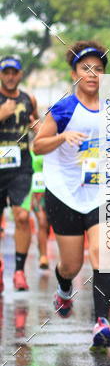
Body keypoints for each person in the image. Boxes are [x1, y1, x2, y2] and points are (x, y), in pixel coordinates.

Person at [33, 41, 110, 348]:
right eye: (86, 68)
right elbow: (37, 145)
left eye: (99, 69)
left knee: (102, 254)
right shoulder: (63, 108)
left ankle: (101, 322)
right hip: (64, 192)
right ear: (75, 73)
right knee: (71, 265)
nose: (93, 74)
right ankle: (64, 288)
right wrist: (62, 136)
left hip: (100, 191)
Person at [0, 54, 39, 292]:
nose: (10, 76)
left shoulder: (28, 99)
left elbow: (37, 125)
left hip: (21, 167)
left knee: (22, 218)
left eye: (14, 72)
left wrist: (39, 127)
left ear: (20, 75)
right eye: (6, 72)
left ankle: (19, 271)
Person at [21, 149, 49, 269]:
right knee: (34, 220)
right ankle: (41, 256)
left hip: (47, 191)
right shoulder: (28, 147)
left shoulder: (52, 146)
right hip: (32, 191)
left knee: (45, 224)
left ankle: (42, 251)